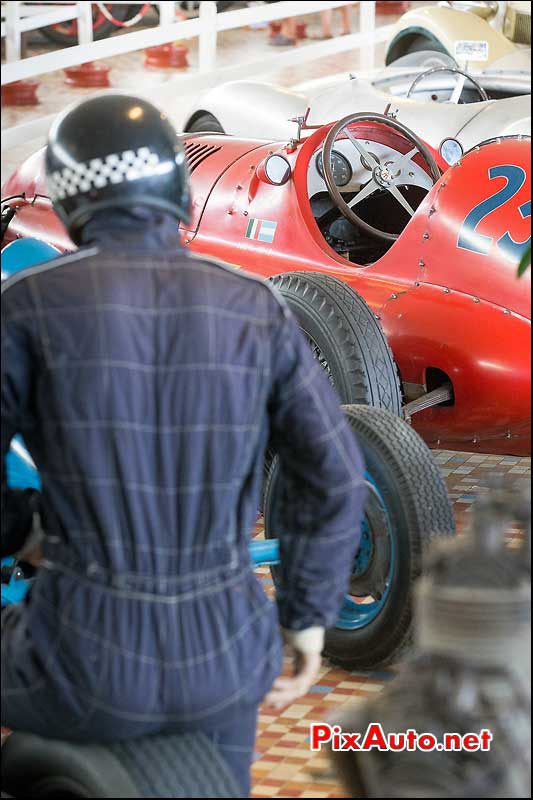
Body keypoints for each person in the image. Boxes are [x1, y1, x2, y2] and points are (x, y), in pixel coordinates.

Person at [1, 95, 367, 797]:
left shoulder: (27, 304)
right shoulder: (257, 305)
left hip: (80, 658)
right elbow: (333, 473)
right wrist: (306, 619)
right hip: (228, 657)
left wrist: (23, 531)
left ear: (71, 199)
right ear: (175, 187)